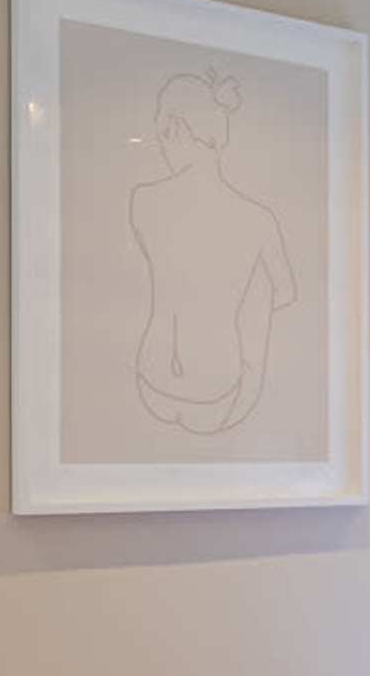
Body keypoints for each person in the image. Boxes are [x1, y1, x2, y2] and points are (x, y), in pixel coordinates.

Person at [127, 69, 296, 435]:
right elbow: (285, 292)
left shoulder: (143, 201)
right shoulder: (258, 220)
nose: (162, 147)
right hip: (217, 390)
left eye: (163, 136)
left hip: (150, 378)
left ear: (176, 128)